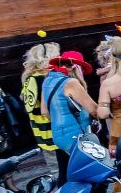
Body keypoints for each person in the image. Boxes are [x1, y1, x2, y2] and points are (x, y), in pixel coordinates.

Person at [42, 51, 98, 180]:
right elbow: (93, 109)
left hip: (58, 135)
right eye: (82, 69)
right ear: (75, 67)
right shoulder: (71, 82)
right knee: (92, 175)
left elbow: (44, 111)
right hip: (76, 136)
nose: (83, 73)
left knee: (66, 174)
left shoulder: (48, 79)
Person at [20, 41, 61, 176]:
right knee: (60, 167)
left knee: (54, 166)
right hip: (52, 126)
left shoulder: (29, 78)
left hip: (40, 128)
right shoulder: (43, 79)